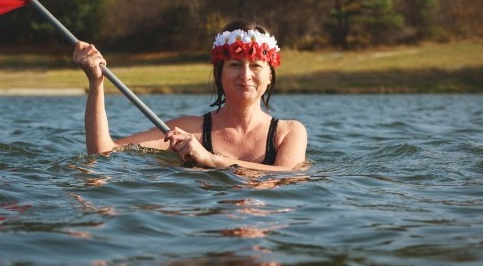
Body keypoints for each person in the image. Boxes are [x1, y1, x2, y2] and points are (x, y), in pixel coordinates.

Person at [72, 20, 307, 171]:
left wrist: (211, 160)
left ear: (270, 76)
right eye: (235, 65)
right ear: (219, 74)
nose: (245, 75)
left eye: (255, 65)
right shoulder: (187, 130)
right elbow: (102, 152)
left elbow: (288, 177)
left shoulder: (289, 132)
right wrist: (96, 82)